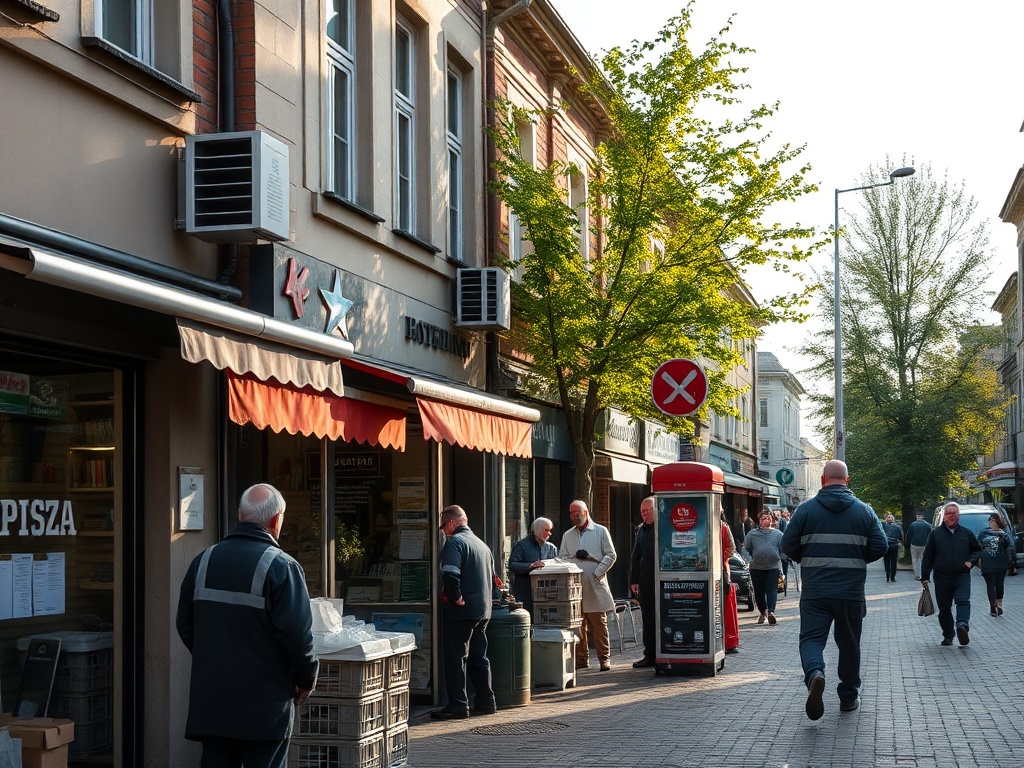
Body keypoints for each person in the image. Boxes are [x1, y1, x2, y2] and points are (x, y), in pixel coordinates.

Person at [176, 483, 318, 768]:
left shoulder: (203, 562)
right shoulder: (282, 567)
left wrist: (216, 661)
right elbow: (297, 637)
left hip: (213, 703)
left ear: (240, 515)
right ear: (276, 520)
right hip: (264, 707)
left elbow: (185, 625)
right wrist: (306, 679)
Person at [781, 460, 887, 721]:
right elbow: (881, 546)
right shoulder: (865, 511)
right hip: (850, 591)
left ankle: (815, 674)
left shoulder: (805, 511)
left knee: (811, 640)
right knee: (849, 645)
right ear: (847, 480)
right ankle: (848, 698)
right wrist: (857, 559)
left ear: (822, 480)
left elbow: (787, 545)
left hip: (816, 591)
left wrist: (807, 559)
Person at [434, 504, 498, 719]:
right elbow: (494, 579)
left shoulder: (454, 542)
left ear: (452, 522)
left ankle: (458, 705)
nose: (442, 531)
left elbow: (450, 574)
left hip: (461, 612)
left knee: (455, 657)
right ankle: (486, 700)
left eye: (443, 525)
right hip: (483, 610)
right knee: (479, 656)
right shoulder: (482, 545)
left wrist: (457, 598)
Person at [560, 500, 617, 671]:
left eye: (576, 512)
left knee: (599, 623)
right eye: (571, 513)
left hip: (594, 583)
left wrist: (597, 572)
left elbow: (611, 555)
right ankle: (581, 659)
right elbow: (562, 556)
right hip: (575, 586)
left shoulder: (600, 531)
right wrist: (572, 562)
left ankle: (604, 658)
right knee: (578, 625)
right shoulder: (567, 535)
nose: (573, 516)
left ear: (586, 512)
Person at [921, 502, 982, 647]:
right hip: (942, 577)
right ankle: (948, 635)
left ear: (959, 516)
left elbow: (977, 550)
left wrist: (971, 561)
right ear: (944, 516)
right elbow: (928, 556)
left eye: (955, 513)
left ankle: (962, 625)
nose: (952, 516)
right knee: (944, 608)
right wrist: (925, 576)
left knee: (963, 601)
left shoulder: (966, 533)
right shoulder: (935, 534)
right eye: (949, 513)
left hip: (962, 575)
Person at [508, 517, 558, 615]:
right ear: (538, 530)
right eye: (547, 530)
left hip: (547, 593)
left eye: (550, 530)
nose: (549, 534)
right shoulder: (521, 546)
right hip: (526, 593)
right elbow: (513, 565)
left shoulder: (551, 548)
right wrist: (531, 565)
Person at [628, 497, 657, 667]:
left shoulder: (662, 528)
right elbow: (635, 556)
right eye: (641, 511)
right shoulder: (641, 530)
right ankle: (650, 654)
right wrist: (633, 579)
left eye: (646, 511)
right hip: (645, 580)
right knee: (647, 618)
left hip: (661, 579)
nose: (643, 514)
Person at [744, 511, 784, 625]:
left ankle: (771, 612)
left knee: (772, 589)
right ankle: (763, 613)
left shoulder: (778, 534)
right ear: (759, 521)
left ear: (771, 520)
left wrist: (780, 557)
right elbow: (744, 548)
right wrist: (749, 559)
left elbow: (784, 548)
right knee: (759, 592)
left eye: (767, 518)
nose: (764, 520)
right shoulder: (752, 534)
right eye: (762, 518)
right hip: (756, 567)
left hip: (773, 567)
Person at [976, 512, 1011, 617]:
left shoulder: (1004, 535)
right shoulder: (983, 534)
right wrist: (977, 560)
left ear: (998, 523)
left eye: (994, 521)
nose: (992, 523)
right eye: (991, 521)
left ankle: (998, 604)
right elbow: (977, 548)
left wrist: (1010, 560)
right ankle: (993, 607)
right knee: (991, 585)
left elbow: (1010, 547)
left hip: (1000, 562)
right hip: (988, 562)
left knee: (999, 584)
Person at [721, 516, 741, 654]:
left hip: (721, 571)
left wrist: (720, 559)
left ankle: (728, 641)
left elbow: (731, 548)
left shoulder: (722, 526)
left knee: (724, 606)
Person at [906, 512, 932, 580]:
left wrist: (908, 543)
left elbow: (909, 535)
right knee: (923, 559)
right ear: (923, 517)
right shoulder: (928, 525)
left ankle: (917, 575)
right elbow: (930, 535)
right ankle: (924, 574)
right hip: (924, 544)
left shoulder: (913, 525)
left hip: (914, 544)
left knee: (915, 560)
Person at [882, 514, 904, 582]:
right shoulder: (897, 526)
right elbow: (900, 536)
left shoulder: (883, 526)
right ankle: (893, 577)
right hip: (894, 545)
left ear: (886, 519)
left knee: (886, 561)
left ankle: (888, 576)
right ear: (893, 519)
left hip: (886, 545)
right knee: (894, 561)